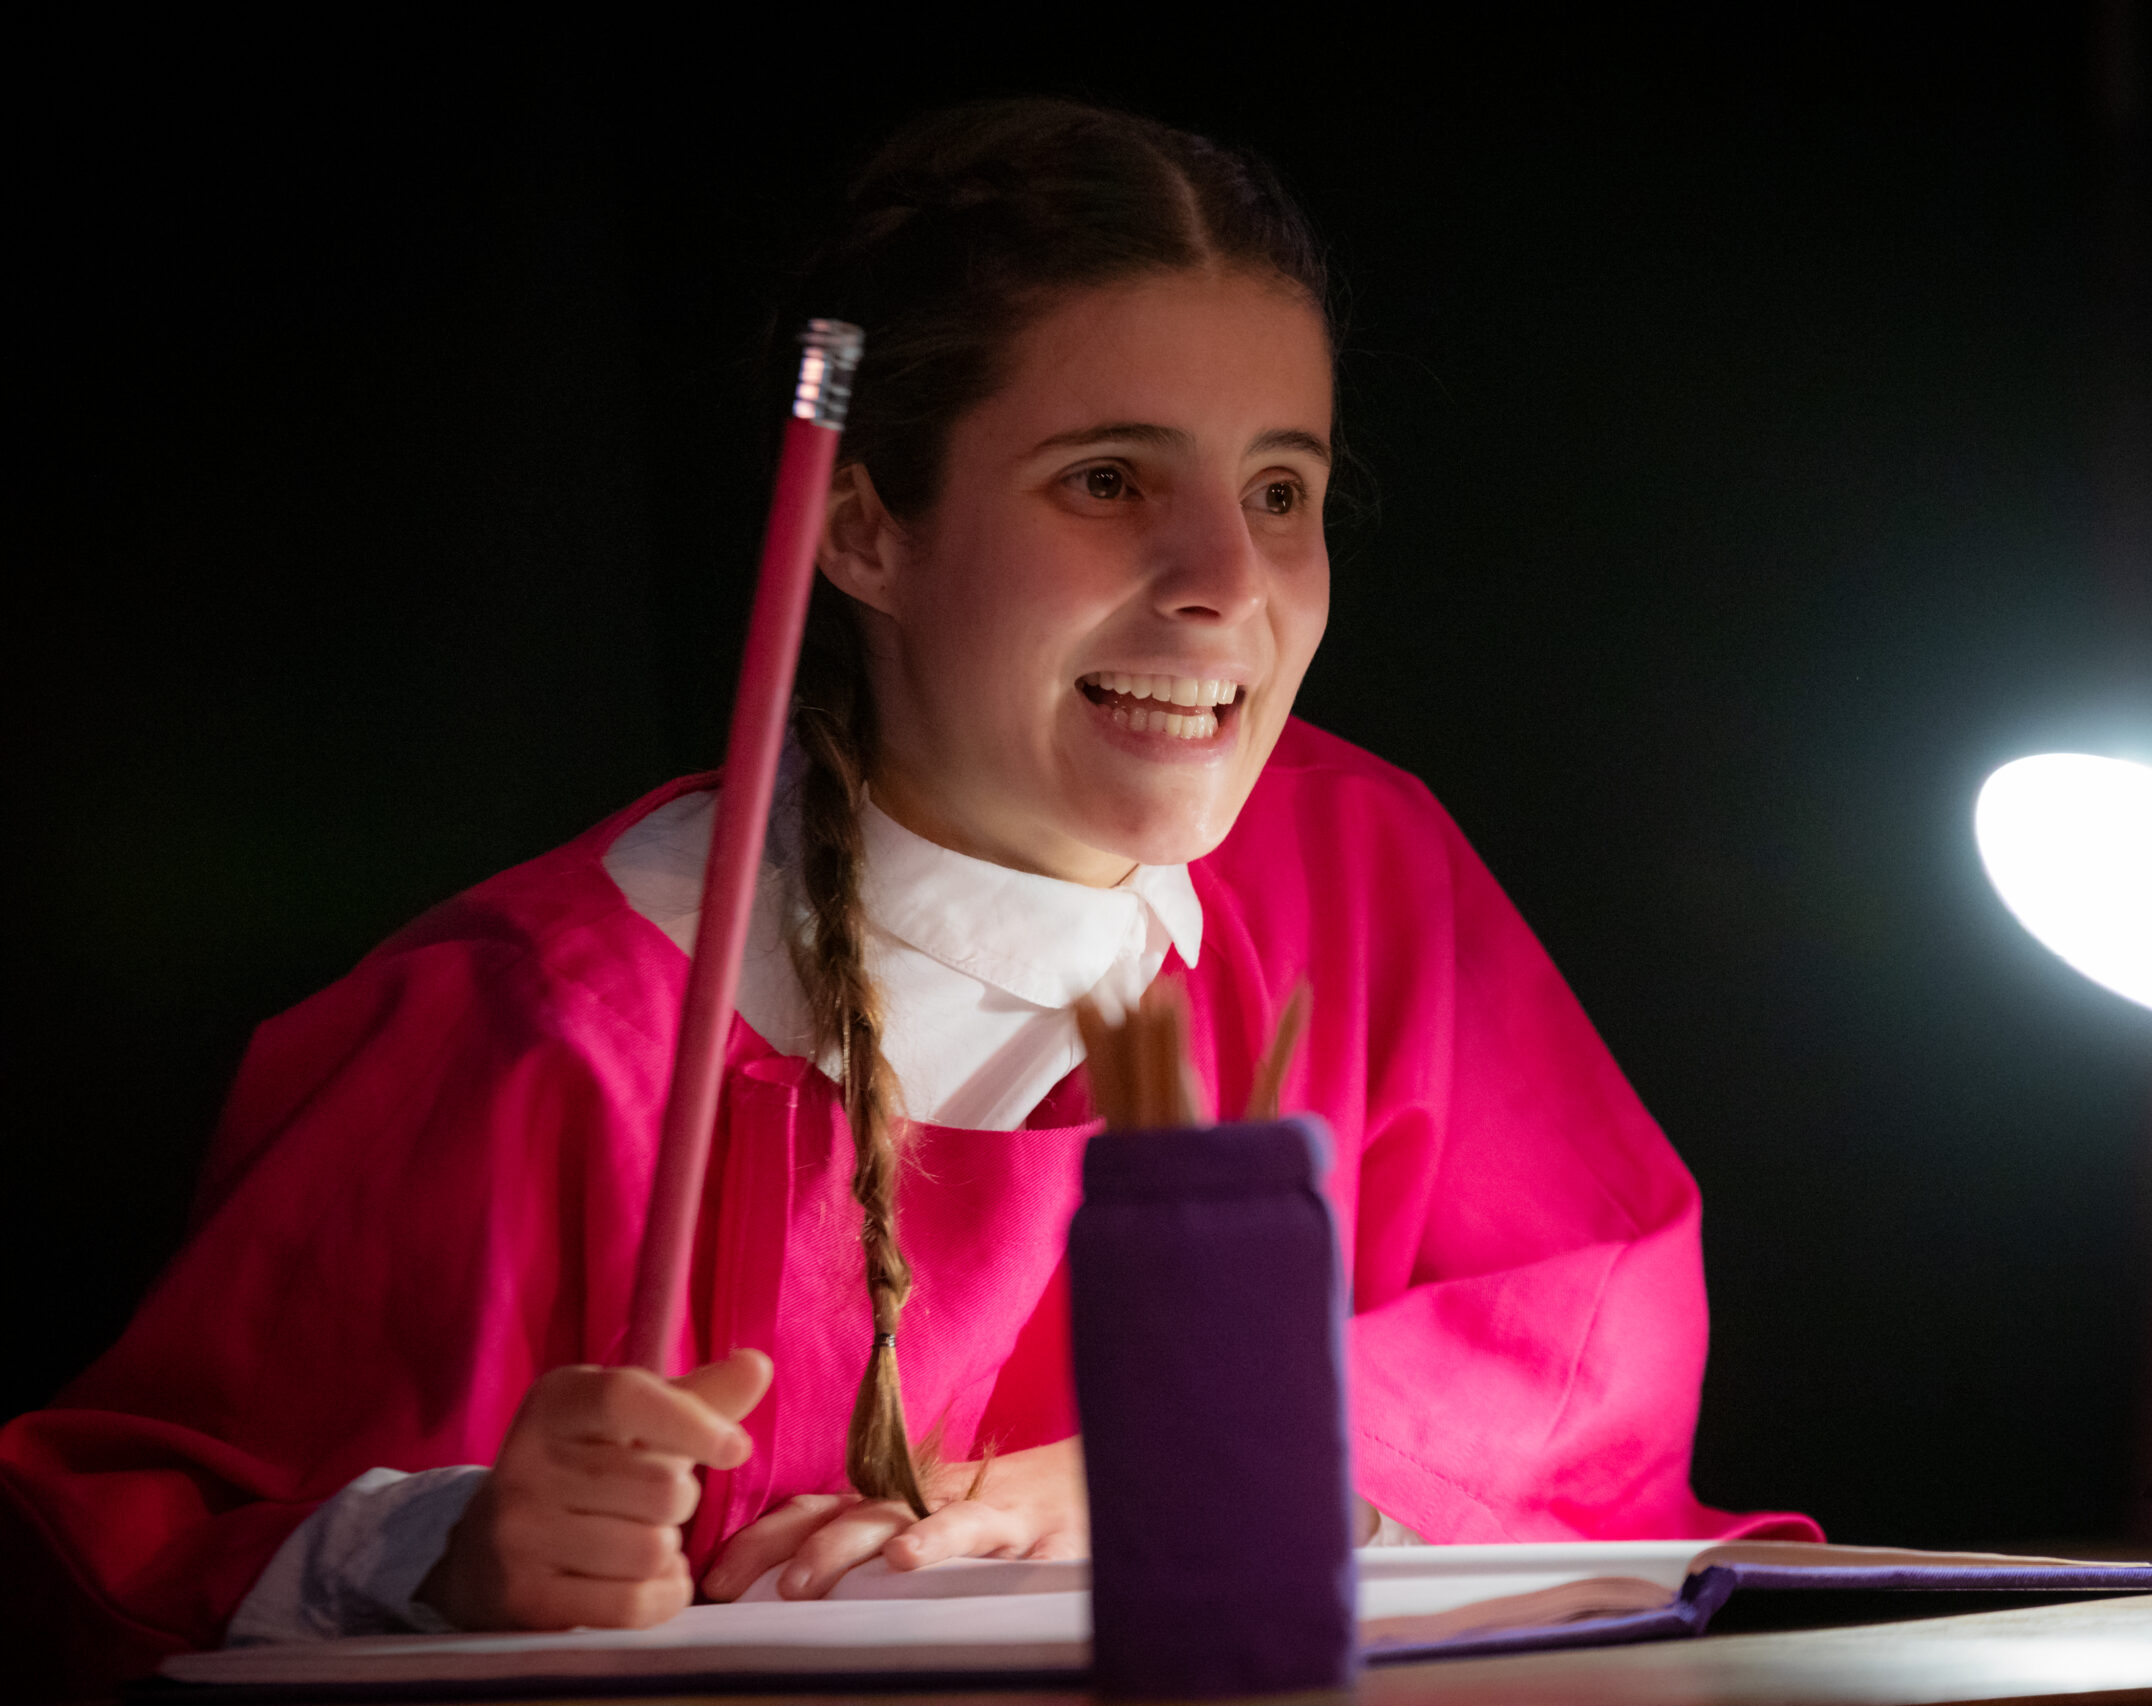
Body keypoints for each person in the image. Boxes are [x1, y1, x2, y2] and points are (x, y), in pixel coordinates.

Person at [0, 98, 1818, 1694]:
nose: (1222, 582)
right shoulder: (544, 1024)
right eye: (1108, 480)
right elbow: (131, 1539)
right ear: (861, 526)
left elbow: (1598, 1352)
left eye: (1282, 489)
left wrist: (1182, 1465)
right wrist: (453, 1552)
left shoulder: (1371, 877)